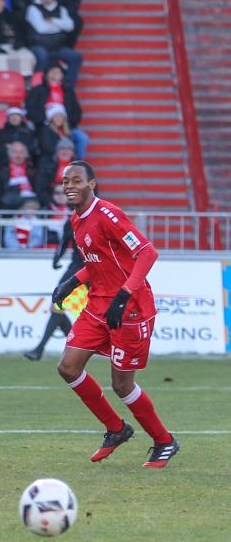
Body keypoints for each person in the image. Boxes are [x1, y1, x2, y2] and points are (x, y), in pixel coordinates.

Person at [51, 161, 179, 467]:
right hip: (97, 305)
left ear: (91, 184)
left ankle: (164, 441)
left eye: (76, 180)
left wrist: (124, 295)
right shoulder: (76, 218)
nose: (69, 186)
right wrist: (72, 282)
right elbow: (99, 261)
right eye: (65, 181)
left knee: (122, 384)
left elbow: (147, 252)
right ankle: (116, 429)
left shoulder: (109, 215)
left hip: (130, 310)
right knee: (68, 367)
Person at [24, 217, 82, 361]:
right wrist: (57, 257)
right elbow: (65, 241)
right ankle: (42, 349)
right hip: (77, 269)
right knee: (57, 306)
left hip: (90, 271)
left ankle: (42, 349)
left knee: (58, 308)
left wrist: (58, 257)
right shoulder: (72, 220)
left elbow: (65, 241)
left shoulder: (85, 219)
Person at [25, 0, 83, 87]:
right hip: (38, 45)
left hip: (56, 45)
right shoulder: (33, 8)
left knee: (75, 57)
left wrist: (52, 20)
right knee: (42, 57)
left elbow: (70, 26)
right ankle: (38, 86)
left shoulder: (61, 9)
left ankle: (68, 86)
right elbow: (41, 28)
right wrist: (60, 25)